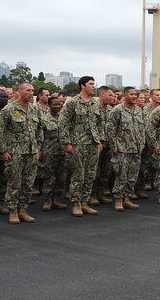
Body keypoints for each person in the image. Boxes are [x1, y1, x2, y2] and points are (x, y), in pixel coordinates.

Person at [0, 81, 42, 224]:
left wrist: (38, 148)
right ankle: (13, 211)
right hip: (15, 153)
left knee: (28, 183)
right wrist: (4, 150)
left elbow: (39, 130)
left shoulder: (35, 109)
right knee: (14, 183)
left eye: (32, 90)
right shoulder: (9, 109)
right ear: (19, 92)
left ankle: (23, 209)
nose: (30, 93)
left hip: (31, 152)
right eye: (27, 90)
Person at [60, 76, 104, 217]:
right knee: (78, 174)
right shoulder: (72, 103)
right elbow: (64, 123)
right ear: (82, 86)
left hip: (93, 143)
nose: (94, 86)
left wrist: (100, 140)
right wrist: (67, 142)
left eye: (94, 83)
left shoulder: (95, 104)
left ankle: (85, 202)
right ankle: (76, 203)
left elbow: (100, 123)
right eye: (91, 84)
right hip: (77, 143)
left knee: (90, 174)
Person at [106, 86, 145, 211]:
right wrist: (114, 146)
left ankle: (127, 198)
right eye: (132, 94)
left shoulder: (139, 111)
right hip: (122, 149)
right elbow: (110, 129)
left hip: (136, 149)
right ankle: (118, 199)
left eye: (136, 94)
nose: (134, 96)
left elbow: (142, 129)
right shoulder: (118, 110)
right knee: (121, 175)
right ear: (125, 96)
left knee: (132, 176)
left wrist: (142, 144)